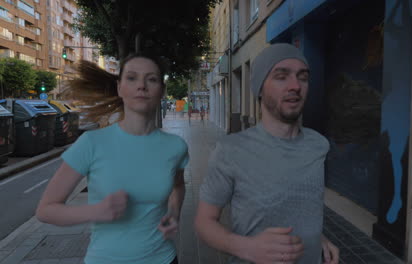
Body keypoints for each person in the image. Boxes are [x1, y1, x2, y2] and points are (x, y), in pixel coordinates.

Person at [36, 52, 189, 264]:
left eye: (151, 79)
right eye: (132, 77)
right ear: (119, 87)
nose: (142, 85)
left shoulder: (176, 146)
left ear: (161, 91)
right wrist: (96, 211)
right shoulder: (91, 143)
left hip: (164, 258)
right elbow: (46, 210)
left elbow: (179, 186)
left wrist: (174, 212)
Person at [194, 43, 339, 264]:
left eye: (303, 77)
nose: (295, 86)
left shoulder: (318, 145)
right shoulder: (231, 151)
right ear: (260, 88)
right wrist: (248, 248)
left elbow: (301, 209)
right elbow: (204, 223)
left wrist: (317, 237)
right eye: (281, 76)